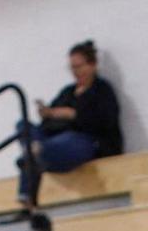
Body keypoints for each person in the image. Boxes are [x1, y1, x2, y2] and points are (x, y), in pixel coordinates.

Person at [17, 40, 124, 211]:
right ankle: (35, 152)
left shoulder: (102, 90)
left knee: (64, 141)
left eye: (79, 67)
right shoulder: (67, 92)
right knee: (23, 125)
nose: (76, 72)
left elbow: (105, 122)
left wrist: (71, 114)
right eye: (72, 68)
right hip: (57, 139)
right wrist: (48, 113)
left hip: (86, 141)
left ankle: (33, 160)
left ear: (92, 65)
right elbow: (49, 121)